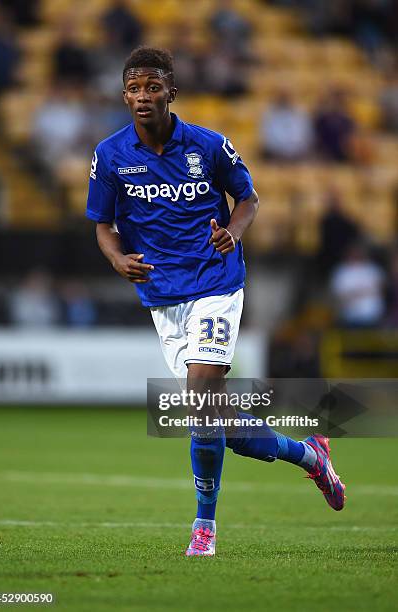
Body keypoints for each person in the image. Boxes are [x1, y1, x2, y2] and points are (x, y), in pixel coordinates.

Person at [86, 46, 345, 557]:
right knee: (213, 422)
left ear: (171, 92)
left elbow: (248, 199)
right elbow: (102, 225)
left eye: (153, 87)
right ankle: (310, 455)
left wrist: (231, 231)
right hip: (163, 296)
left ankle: (204, 527)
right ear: (124, 96)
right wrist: (117, 259)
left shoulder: (208, 146)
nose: (143, 97)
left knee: (204, 397)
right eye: (135, 89)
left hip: (216, 283)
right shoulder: (110, 155)